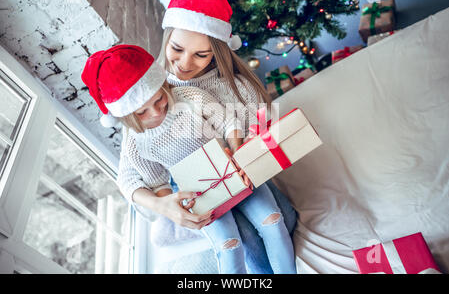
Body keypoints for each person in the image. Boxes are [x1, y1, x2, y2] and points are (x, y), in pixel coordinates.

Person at [81, 44, 297, 273]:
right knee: (229, 246)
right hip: (198, 196)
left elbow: (228, 123)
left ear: (161, 84)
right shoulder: (136, 144)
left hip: (233, 170)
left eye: (158, 99)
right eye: (142, 112)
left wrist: (237, 151)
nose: (156, 112)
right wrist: (177, 205)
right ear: (125, 115)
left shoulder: (188, 97)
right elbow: (159, 184)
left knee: (272, 221)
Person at [158, 0, 298, 273]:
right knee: (240, 239)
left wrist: (246, 148)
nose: (185, 64)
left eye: (200, 55)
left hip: (240, 171)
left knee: (275, 219)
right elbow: (136, 163)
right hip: (197, 182)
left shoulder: (234, 86)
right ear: (166, 39)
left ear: (217, 52)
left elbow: (260, 126)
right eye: (177, 49)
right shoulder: (156, 93)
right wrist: (162, 205)